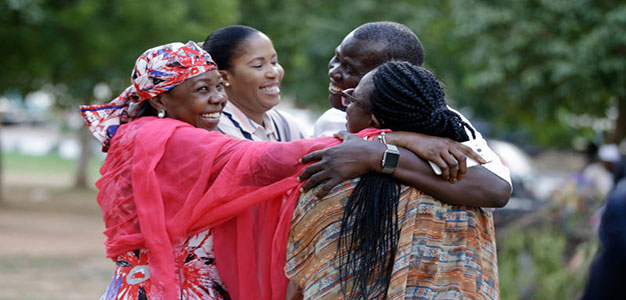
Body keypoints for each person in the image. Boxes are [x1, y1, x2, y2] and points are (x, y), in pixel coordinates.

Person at [80, 41, 499, 300]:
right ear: (160, 101)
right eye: (201, 89)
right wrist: (389, 142)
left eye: (217, 87)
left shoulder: (159, 133)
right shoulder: (162, 138)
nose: (217, 100)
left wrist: (377, 151)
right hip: (171, 289)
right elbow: (260, 162)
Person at [286, 61, 502, 299]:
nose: (344, 106)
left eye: (352, 100)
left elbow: (300, 283)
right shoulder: (464, 192)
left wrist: (378, 151)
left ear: (374, 120)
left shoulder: (328, 179)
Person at [203, 25, 307, 142]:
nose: (274, 73)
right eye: (258, 65)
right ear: (224, 77)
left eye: (274, 62)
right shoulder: (217, 131)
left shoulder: (286, 125)